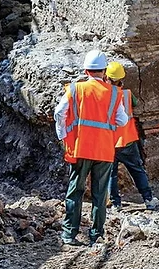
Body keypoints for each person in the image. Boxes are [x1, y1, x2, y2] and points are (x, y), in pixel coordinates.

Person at [53, 49, 129, 246]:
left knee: (75, 191)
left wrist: (62, 135)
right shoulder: (114, 93)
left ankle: (70, 234)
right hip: (104, 150)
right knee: (100, 193)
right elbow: (122, 120)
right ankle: (96, 234)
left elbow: (59, 112)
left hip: (81, 149)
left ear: (86, 71)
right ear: (104, 72)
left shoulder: (75, 89)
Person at [105, 61, 159, 211]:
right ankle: (148, 199)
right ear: (122, 79)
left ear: (106, 78)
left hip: (109, 142)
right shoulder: (127, 94)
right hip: (128, 140)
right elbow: (135, 104)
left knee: (111, 174)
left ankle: (116, 204)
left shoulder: (103, 95)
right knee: (137, 170)